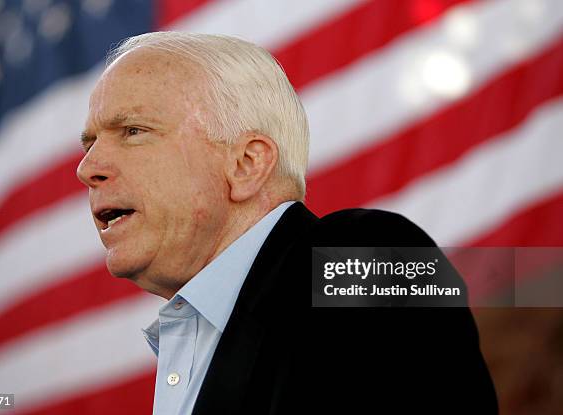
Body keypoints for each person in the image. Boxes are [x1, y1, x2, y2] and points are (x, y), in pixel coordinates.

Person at [76, 32, 498, 414]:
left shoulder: (363, 258)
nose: (87, 168)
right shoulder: (196, 337)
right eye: (90, 143)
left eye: (133, 130)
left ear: (246, 164)